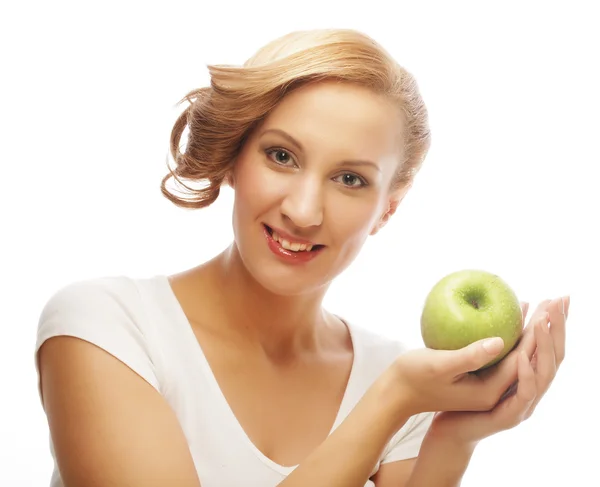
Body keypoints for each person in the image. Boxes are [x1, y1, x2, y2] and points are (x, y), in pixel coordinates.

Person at [34, 28, 568, 487]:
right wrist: (391, 401)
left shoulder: (400, 378)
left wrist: (457, 433)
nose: (304, 211)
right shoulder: (108, 328)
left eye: (350, 179)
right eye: (281, 155)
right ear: (233, 159)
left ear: (387, 210)